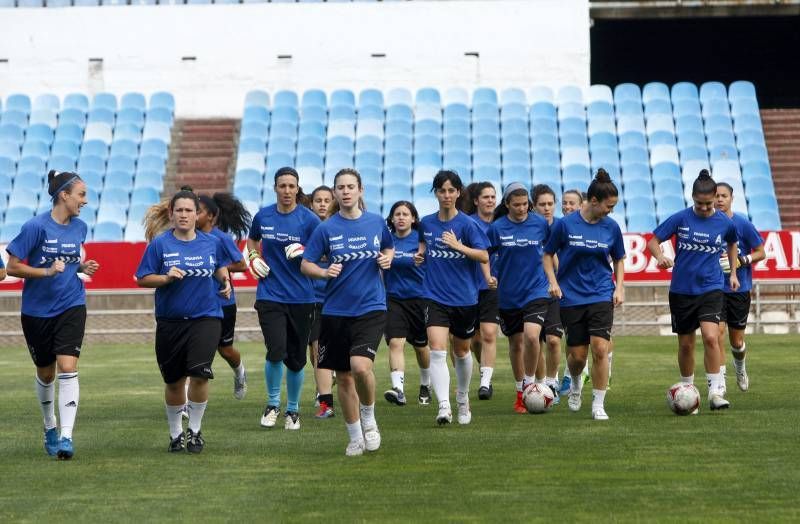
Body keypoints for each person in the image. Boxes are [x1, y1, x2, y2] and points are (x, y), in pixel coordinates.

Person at [6, 170, 99, 460]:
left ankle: (66, 437)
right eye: (81, 195)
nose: (84, 201)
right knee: (46, 372)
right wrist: (46, 271)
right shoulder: (35, 227)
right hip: (36, 312)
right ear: (64, 195)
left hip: (71, 304)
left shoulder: (80, 227)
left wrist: (81, 268)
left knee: (67, 365)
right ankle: (50, 426)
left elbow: (68, 262)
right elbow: (12, 267)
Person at [301, 168, 394, 456]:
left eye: (350, 186)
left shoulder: (376, 222)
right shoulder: (326, 228)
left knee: (360, 367)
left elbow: (389, 247)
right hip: (336, 311)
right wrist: (324, 271)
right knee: (343, 377)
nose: (345, 191)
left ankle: (369, 417)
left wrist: (387, 259)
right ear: (335, 193)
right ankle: (354, 437)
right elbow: (306, 264)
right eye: (340, 187)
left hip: (371, 307)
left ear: (360, 190)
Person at [137, 187, 232, 453]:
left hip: (206, 318)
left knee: (200, 375)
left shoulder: (211, 242)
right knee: (174, 382)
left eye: (189, 210)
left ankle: (196, 431)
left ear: (197, 214)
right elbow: (143, 278)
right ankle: (176, 433)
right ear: (171, 213)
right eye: (179, 210)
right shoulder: (160, 245)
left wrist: (225, 281)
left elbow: (219, 266)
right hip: (171, 322)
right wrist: (166, 278)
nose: (184, 214)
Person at [647, 169, 739, 412]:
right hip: (682, 290)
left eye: (709, 203)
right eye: (700, 204)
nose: (706, 208)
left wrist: (734, 272)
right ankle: (688, 391)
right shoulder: (680, 218)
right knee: (686, 344)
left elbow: (732, 242)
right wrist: (660, 256)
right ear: (692, 199)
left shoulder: (724, 222)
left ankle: (715, 392)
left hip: (711, 287)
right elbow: (653, 241)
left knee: (711, 336)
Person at [543, 168, 625, 420]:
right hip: (572, 297)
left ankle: (598, 404)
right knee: (577, 357)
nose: (610, 211)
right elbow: (547, 255)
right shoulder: (565, 225)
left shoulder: (611, 227)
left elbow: (619, 258)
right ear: (593, 201)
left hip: (601, 293)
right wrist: (553, 282)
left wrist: (619, 287)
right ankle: (576, 382)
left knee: (600, 348)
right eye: (608, 206)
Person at [247, 167, 321, 431]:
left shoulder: (310, 220)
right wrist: (254, 258)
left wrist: (306, 252)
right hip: (270, 295)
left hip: (302, 297)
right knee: (276, 350)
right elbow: (252, 241)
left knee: (296, 358)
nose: (287, 191)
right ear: (275, 188)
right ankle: (272, 404)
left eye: (292, 186)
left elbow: (326, 254)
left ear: (298, 189)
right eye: (282, 186)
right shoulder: (263, 216)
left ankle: (293, 411)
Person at [415, 170, 490, 426]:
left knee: (461, 351)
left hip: (465, 298)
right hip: (434, 296)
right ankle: (444, 406)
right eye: (441, 190)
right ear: (435, 193)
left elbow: (483, 256)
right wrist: (420, 254)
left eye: (451, 190)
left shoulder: (469, 225)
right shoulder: (426, 223)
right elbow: (424, 246)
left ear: (458, 193)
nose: (446, 195)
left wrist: (458, 246)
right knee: (437, 349)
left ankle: (462, 398)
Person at [487, 183, 552, 414]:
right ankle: (519, 393)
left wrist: (554, 279)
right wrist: (489, 276)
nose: (522, 208)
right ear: (507, 205)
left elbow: (551, 251)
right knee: (515, 344)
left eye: (525, 204)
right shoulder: (497, 228)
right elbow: (485, 254)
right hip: (508, 295)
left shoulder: (540, 224)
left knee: (532, 337)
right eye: (517, 205)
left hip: (536, 290)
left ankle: (530, 383)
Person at [195, 193, 251, 400]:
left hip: (223, 302)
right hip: (200, 303)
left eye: (197, 211)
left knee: (225, 350)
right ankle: (184, 403)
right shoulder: (190, 237)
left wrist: (218, 267)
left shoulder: (222, 238)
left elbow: (242, 265)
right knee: (197, 353)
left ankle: (240, 372)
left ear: (211, 216)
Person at [715, 182, 764, 393]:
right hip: (714, 288)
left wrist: (742, 260)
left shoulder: (742, 224)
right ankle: (720, 381)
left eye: (723, 196)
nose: (719, 199)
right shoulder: (708, 224)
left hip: (738, 289)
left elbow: (761, 252)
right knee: (716, 335)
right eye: (716, 195)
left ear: (731, 198)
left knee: (737, 340)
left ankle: (741, 368)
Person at [382, 200, 432, 406]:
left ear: (413, 218)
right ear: (392, 219)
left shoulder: (420, 240)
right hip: (393, 299)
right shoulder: (387, 241)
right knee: (396, 343)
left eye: (405, 214)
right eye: (397, 214)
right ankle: (398, 389)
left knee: (421, 347)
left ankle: (425, 384)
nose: (401, 217)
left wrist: (425, 258)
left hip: (419, 299)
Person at [459, 182, 499, 400]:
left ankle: (485, 382)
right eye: (486, 197)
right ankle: (483, 369)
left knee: (490, 334)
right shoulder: (467, 224)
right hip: (468, 288)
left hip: (492, 287)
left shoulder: (501, 224)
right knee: (474, 340)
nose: (491, 200)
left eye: (493, 197)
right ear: (476, 201)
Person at [531, 184, 568, 402]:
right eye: (542, 204)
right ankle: (541, 383)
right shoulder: (529, 227)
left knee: (554, 340)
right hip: (531, 292)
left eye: (550, 204)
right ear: (533, 206)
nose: (547, 208)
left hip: (555, 291)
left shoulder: (563, 227)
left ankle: (552, 382)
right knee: (535, 340)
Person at [557, 189, 592, 395]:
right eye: (565, 203)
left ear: (581, 205)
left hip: (586, 291)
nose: (567, 207)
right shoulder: (560, 227)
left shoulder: (588, 227)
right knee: (569, 336)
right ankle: (573, 374)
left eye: (572, 203)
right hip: (564, 289)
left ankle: (573, 376)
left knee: (594, 335)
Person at [306, 185, 336, 418]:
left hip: (336, 298)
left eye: (327, 200)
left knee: (321, 347)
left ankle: (324, 395)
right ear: (311, 203)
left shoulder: (339, 228)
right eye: (318, 200)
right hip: (310, 297)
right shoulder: (306, 229)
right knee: (314, 349)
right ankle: (322, 390)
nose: (323, 204)